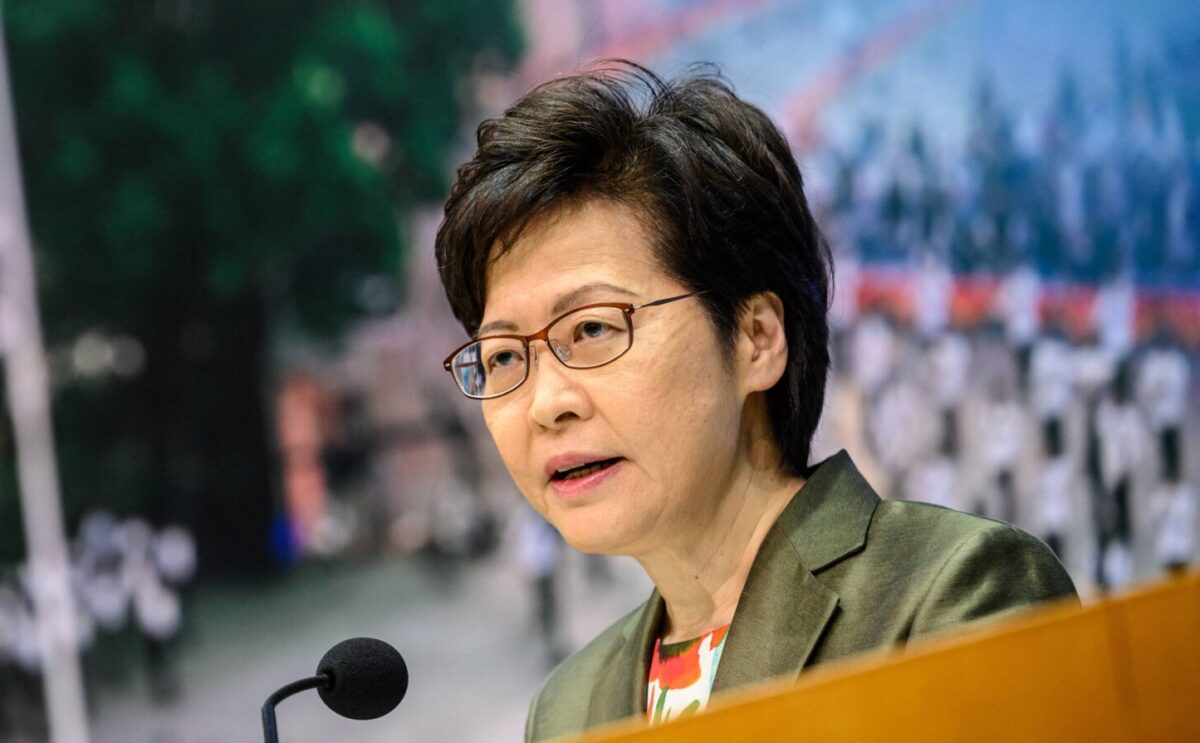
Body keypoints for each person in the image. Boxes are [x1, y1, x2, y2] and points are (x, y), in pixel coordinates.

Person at [434, 62, 1077, 742]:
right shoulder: (568, 709)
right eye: (505, 354)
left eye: (592, 328)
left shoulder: (948, 599)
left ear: (756, 338)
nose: (545, 404)